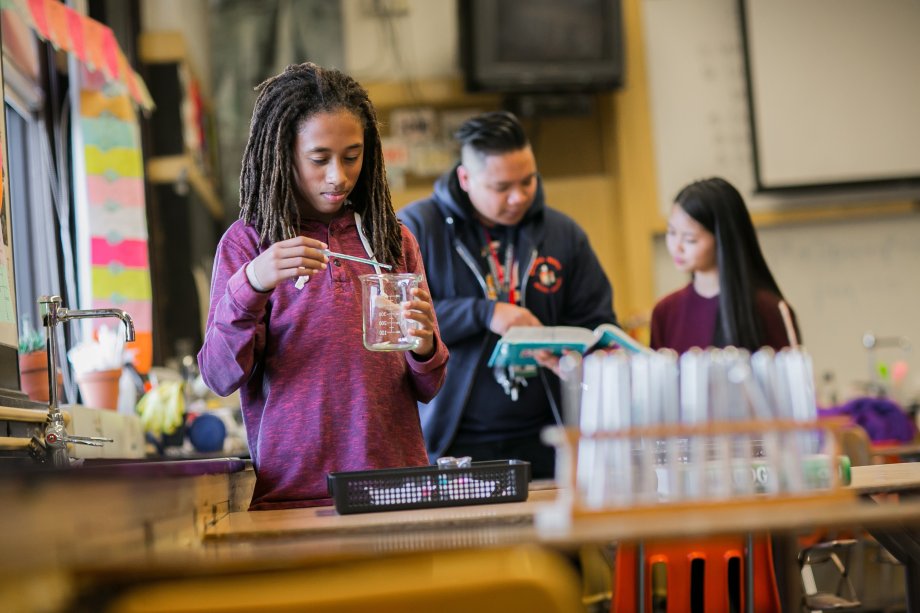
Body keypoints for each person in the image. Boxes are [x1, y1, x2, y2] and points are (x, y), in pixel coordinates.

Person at [198, 63, 448, 510]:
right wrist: (252, 283)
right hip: (294, 499)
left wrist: (426, 347)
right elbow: (219, 377)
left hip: (399, 489)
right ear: (283, 153)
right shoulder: (249, 243)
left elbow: (428, 386)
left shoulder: (393, 239)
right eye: (319, 158)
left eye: (352, 156)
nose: (338, 175)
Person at [398, 110, 617, 479]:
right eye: (501, 188)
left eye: (528, 181)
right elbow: (394, 318)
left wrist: (568, 351)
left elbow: (597, 322)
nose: (518, 198)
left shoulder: (563, 233)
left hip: (551, 435)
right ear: (465, 178)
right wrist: (484, 313)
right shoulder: (416, 229)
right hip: (449, 441)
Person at [650, 176, 799, 353]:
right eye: (671, 232)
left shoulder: (769, 309)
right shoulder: (666, 311)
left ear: (722, 239)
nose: (677, 246)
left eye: (690, 239)